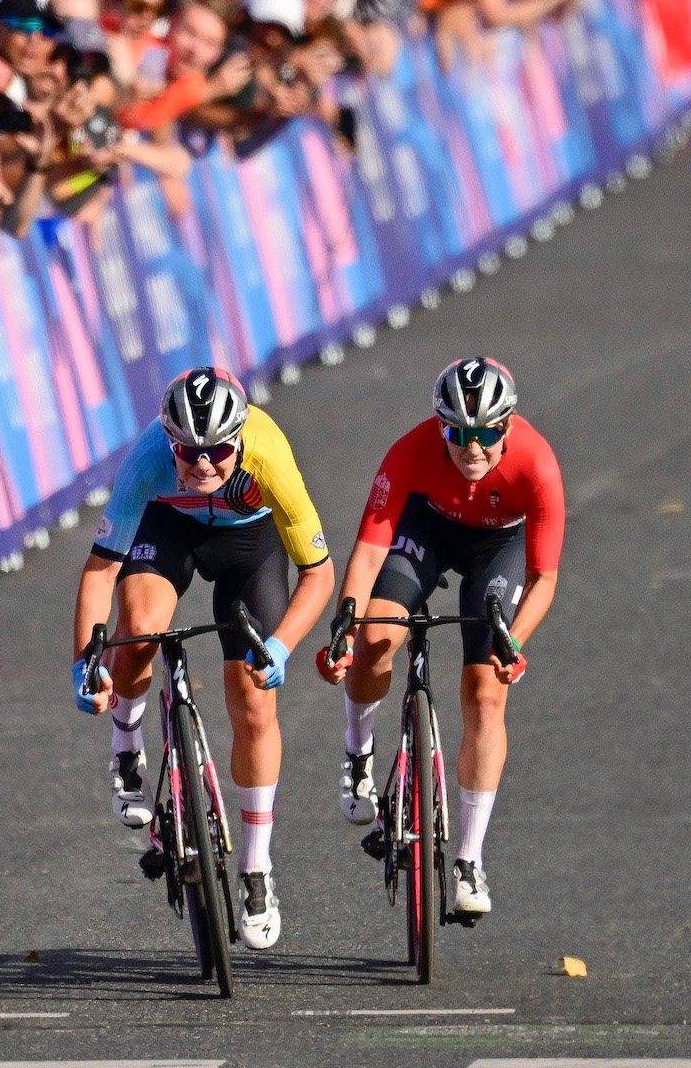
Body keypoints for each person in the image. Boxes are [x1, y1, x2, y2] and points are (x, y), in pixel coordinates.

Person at [72, 369, 334, 951]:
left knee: (254, 700)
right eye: (189, 452)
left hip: (250, 542)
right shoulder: (146, 462)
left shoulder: (268, 456)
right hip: (168, 529)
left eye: (218, 451)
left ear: (238, 439)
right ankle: (126, 749)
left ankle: (256, 869)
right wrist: (84, 661)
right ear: (170, 441)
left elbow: (319, 573)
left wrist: (284, 644)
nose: (205, 465)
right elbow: (101, 569)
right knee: (138, 628)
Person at [317, 359, 562, 918]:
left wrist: (515, 642)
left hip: (496, 547)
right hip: (424, 528)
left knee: (485, 692)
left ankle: (469, 861)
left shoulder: (537, 463)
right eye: (457, 434)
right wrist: (345, 624)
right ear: (439, 426)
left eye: (486, 435)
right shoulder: (409, 452)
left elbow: (544, 577)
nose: (472, 449)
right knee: (378, 636)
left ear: (508, 425)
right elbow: (371, 549)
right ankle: (358, 755)